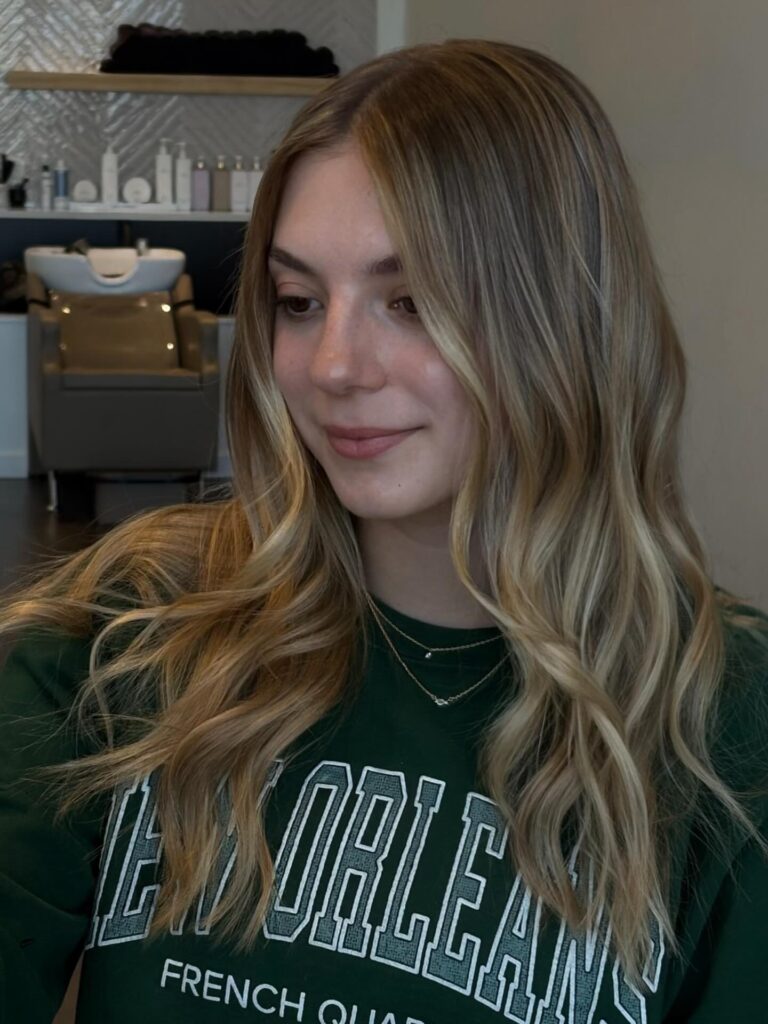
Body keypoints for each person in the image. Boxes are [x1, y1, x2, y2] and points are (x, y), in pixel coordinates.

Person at [1, 38, 767, 1024]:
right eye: (298, 300)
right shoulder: (136, 628)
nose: (332, 364)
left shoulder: (726, 732)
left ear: (563, 317)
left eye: (410, 300)